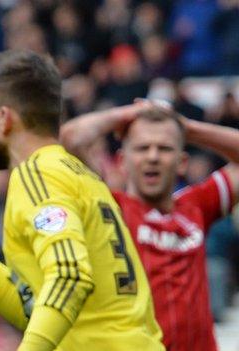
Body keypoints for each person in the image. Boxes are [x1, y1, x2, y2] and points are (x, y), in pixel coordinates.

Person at [0, 50, 164, 350]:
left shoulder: (38, 174)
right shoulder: (83, 177)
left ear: (4, 118)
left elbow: (68, 277)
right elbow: (38, 306)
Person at [60, 100, 239, 351]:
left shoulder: (197, 206)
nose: (153, 157)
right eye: (142, 148)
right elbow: (71, 138)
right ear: (122, 160)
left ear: (182, 162)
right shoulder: (110, 208)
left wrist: (186, 127)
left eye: (165, 148)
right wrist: (128, 113)